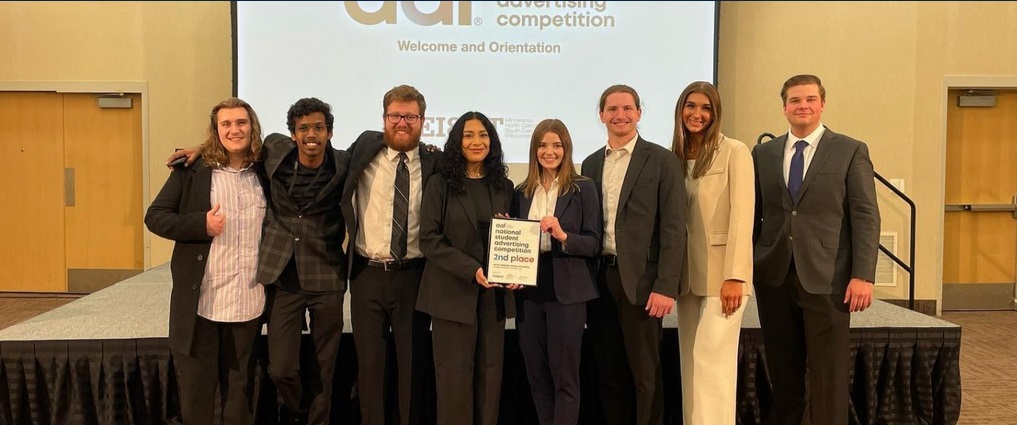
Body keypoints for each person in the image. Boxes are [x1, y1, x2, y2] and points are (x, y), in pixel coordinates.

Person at [752, 74, 880, 425]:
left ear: (822, 104)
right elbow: (755, 214)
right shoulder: (763, 153)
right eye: (795, 100)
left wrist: (863, 275)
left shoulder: (850, 150)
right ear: (784, 108)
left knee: (829, 376)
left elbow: (866, 215)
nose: (802, 106)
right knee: (784, 375)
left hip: (829, 278)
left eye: (810, 99)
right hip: (774, 277)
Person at [145, 97, 268, 424]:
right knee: (197, 397)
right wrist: (201, 224)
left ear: (252, 127)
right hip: (202, 303)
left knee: (240, 397)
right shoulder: (192, 171)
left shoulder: (266, 171)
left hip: (248, 301)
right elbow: (155, 217)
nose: (234, 130)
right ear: (216, 130)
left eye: (241, 122)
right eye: (225, 124)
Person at [580, 85, 687, 425]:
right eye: (612, 109)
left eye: (627, 108)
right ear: (601, 115)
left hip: (642, 283)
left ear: (639, 113)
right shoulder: (591, 163)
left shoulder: (663, 161)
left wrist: (666, 285)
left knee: (645, 374)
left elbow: (674, 228)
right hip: (600, 281)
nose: (620, 115)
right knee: (609, 373)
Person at [340, 85, 439, 425]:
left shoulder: (435, 162)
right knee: (370, 367)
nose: (402, 123)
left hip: (414, 276)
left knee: (412, 366)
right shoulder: (364, 148)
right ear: (384, 118)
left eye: (410, 117)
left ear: (422, 120)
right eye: (395, 115)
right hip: (366, 275)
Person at [416, 111, 519, 425]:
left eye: (483, 135)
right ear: (457, 142)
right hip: (451, 295)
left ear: (492, 141)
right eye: (469, 135)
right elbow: (429, 240)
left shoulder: (504, 186)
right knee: (454, 381)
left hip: (493, 298)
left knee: (490, 379)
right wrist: (471, 269)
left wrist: (516, 268)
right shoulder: (440, 184)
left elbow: (515, 237)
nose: (477, 142)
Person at [258, 98, 350, 425]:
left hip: (327, 274)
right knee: (281, 369)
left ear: (330, 133)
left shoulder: (343, 163)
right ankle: (298, 412)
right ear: (293, 134)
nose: (311, 134)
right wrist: (200, 148)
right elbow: (234, 145)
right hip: (284, 275)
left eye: (318, 128)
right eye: (304, 128)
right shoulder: (274, 152)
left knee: (324, 367)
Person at [670, 81, 753, 425]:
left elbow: (742, 216)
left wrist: (736, 275)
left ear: (715, 113)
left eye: (706, 108)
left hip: (723, 278)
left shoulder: (735, 151)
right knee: (691, 366)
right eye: (691, 106)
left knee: (712, 365)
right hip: (686, 278)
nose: (697, 114)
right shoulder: (673, 157)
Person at [509, 119, 601, 425]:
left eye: (557, 145)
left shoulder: (583, 188)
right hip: (529, 291)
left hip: (568, 292)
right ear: (534, 150)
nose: (549, 152)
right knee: (537, 377)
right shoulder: (522, 192)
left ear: (567, 148)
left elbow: (594, 243)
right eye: (543, 145)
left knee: (565, 378)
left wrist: (562, 235)